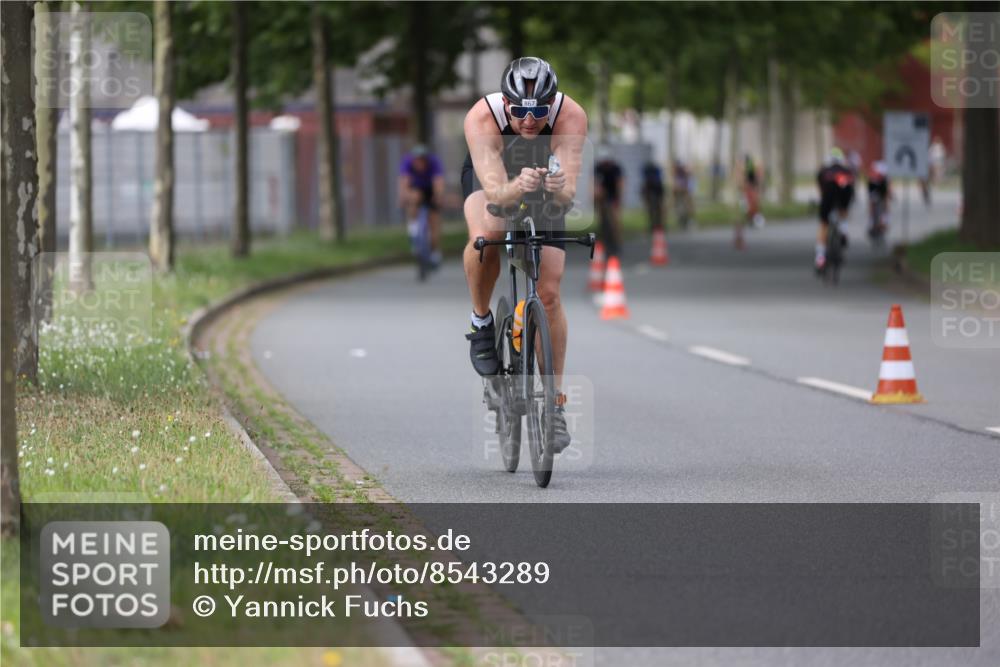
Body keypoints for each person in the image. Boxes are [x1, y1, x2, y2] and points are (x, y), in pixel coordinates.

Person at [460, 57, 588, 453]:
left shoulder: (570, 116)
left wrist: (557, 186)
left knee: (548, 292)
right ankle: (481, 322)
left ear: (552, 103)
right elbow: (497, 194)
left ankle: (554, 405)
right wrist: (518, 187)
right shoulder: (482, 117)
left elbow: (568, 195)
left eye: (539, 111)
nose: (530, 121)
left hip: (544, 179)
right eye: (519, 112)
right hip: (495, 176)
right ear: (506, 103)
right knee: (488, 234)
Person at [398, 144, 445, 267]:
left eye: (422, 161)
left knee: (434, 222)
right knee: (414, 197)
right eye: (417, 161)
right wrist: (403, 196)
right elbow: (404, 182)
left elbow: (438, 182)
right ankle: (413, 230)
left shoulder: (434, 162)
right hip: (416, 189)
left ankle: (434, 251)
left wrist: (438, 196)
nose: (419, 164)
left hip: (430, 190)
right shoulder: (407, 162)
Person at [814, 147, 855, 272]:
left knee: (824, 224)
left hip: (828, 193)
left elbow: (821, 189)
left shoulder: (824, 171)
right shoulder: (847, 170)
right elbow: (851, 188)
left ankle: (820, 257)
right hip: (844, 191)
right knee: (844, 211)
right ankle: (843, 230)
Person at [594, 146, 624, 258]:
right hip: (602, 197)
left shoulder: (616, 168)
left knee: (615, 221)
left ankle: (617, 244)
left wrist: (618, 199)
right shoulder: (598, 167)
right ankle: (605, 244)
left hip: (613, 196)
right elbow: (594, 183)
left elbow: (620, 184)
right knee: (602, 222)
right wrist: (595, 196)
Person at [866, 160, 891, 239]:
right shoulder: (885, 165)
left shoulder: (875, 164)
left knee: (872, 202)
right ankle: (884, 221)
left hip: (874, 184)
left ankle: (872, 222)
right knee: (884, 201)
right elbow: (888, 182)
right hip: (878, 184)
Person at [640, 159, 666, 232]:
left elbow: (659, 183)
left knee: (659, 208)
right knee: (652, 209)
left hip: (657, 189)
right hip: (651, 189)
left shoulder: (656, 171)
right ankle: (654, 224)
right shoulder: (647, 172)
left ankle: (659, 224)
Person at [672, 159, 695, 230]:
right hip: (679, 193)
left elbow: (687, 184)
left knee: (687, 206)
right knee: (680, 207)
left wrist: (685, 190)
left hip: (685, 192)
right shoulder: (677, 173)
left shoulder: (684, 173)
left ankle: (689, 221)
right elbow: (675, 184)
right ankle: (682, 221)